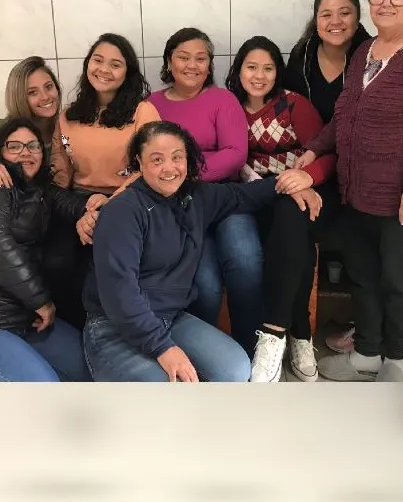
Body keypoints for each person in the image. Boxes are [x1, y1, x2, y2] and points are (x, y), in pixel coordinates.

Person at [83, 120, 322, 382]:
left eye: (177, 157)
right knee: (166, 394)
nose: (169, 168)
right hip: (114, 328)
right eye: (157, 159)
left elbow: (243, 194)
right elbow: (120, 293)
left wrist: (293, 184)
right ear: (139, 162)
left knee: (236, 370)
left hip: (172, 319)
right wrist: (162, 348)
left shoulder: (195, 197)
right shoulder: (123, 210)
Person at [297, 0, 403, 381]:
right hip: (356, 193)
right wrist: (314, 149)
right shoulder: (363, 52)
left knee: (398, 283)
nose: (386, 2)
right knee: (364, 277)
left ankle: (397, 360)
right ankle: (368, 354)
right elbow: (344, 115)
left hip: (395, 200)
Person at [226, 36, 336, 382]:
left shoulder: (293, 105)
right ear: (238, 70)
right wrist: (271, 187)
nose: (259, 75)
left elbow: (327, 152)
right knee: (293, 233)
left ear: (278, 72)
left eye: (268, 68)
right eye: (251, 67)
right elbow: (228, 158)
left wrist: (307, 178)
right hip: (250, 198)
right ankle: (300, 331)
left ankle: (274, 337)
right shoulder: (227, 106)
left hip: (300, 194)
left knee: (293, 219)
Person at [148, 27, 261, 358]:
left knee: (245, 262)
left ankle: (249, 350)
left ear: (209, 65)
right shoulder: (151, 105)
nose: (192, 65)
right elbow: (147, 158)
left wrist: (179, 171)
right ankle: (207, 357)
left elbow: (234, 155)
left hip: (227, 199)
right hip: (178, 207)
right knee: (205, 284)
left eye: (201, 58)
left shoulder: (222, 99)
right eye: (183, 57)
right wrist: (179, 175)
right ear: (169, 62)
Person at [49, 33, 159, 327]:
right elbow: (62, 175)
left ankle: (112, 334)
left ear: (128, 73)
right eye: (98, 60)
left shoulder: (142, 112)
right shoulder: (68, 116)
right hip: (80, 201)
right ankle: (70, 336)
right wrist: (80, 209)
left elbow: (151, 166)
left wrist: (106, 206)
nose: (104, 70)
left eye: (115, 64)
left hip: (130, 199)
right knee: (59, 263)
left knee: (105, 269)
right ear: (88, 65)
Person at [285, 0, 370, 353]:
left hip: (360, 169)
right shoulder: (302, 56)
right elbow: (288, 111)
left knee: (364, 244)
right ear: (315, 20)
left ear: (358, 16)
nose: (335, 21)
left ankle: (367, 334)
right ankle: (295, 329)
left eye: (345, 12)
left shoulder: (371, 56)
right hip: (313, 162)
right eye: (326, 14)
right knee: (294, 220)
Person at [0, 117, 91, 382]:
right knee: (44, 386)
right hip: (6, 320)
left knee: (91, 369)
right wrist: (40, 301)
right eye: (14, 146)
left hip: (28, 319)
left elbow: (68, 202)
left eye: (32, 146)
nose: (25, 152)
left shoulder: (40, 191)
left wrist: (92, 205)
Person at [0, 56, 61, 186]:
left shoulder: (68, 127)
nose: (45, 97)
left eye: (49, 87)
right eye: (33, 92)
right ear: (19, 98)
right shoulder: (4, 131)